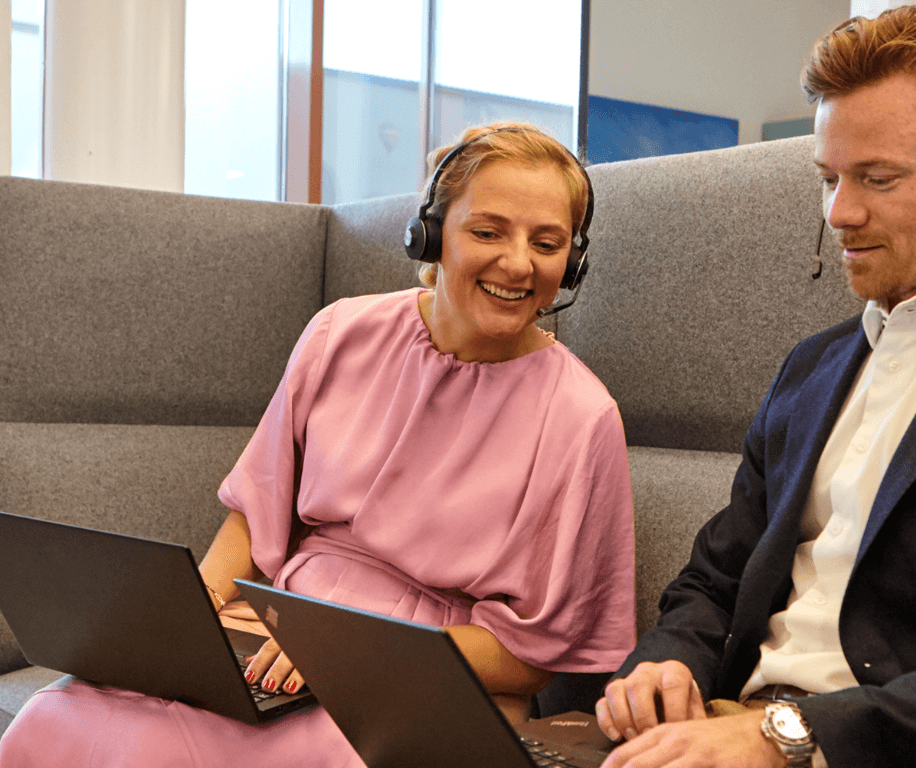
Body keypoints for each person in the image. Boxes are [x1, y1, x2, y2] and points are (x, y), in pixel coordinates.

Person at [0, 122, 637, 767]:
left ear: (573, 262)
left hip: (431, 677)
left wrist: (342, 651)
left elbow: (531, 660)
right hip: (282, 632)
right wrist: (193, 633)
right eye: (488, 231)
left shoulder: (583, 417)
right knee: (64, 716)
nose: (519, 263)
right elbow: (255, 516)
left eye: (547, 242)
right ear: (433, 233)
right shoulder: (340, 332)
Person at [595, 8, 916, 768]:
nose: (840, 213)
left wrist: (786, 738)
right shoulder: (812, 368)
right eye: (829, 178)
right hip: (728, 727)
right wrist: (666, 663)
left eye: (877, 178)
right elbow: (715, 578)